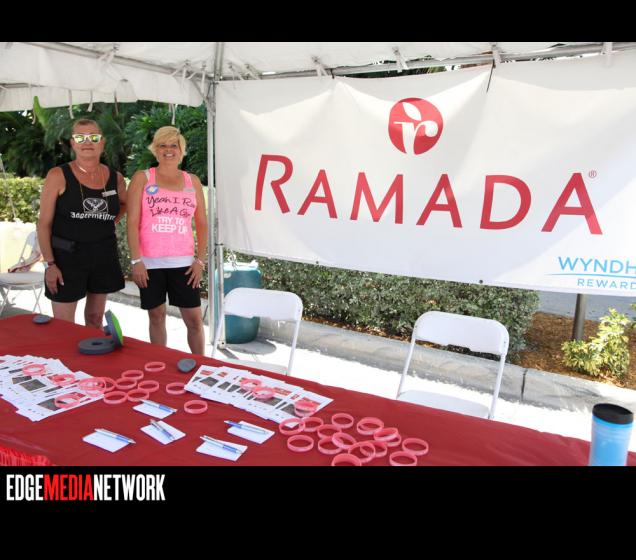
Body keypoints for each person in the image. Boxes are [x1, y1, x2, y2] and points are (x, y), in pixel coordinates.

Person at [37, 119, 126, 328]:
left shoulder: (116, 178)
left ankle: (92, 351)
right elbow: (43, 224)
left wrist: (109, 222)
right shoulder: (58, 175)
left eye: (93, 137)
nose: (87, 142)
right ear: (73, 143)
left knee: (95, 318)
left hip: (103, 254)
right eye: (80, 137)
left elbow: (124, 203)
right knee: (65, 327)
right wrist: (50, 264)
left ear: (102, 142)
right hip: (66, 258)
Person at [126, 126, 208, 355]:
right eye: (162, 145)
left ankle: (200, 365)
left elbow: (202, 224)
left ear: (181, 150)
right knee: (156, 316)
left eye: (174, 145)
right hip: (149, 264)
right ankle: (159, 364)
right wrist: (136, 261)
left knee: (194, 321)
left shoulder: (192, 181)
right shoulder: (143, 178)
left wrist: (200, 261)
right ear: (155, 149)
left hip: (185, 264)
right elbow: (132, 222)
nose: (168, 150)